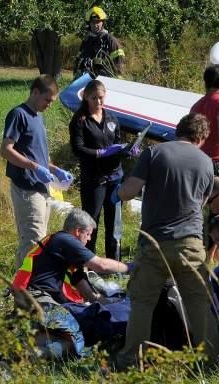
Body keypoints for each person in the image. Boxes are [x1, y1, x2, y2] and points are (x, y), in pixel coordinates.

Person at [111, 113, 219, 369]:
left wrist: (116, 190)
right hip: (191, 242)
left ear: (177, 129)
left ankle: (130, 361)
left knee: (142, 303)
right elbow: (202, 202)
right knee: (199, 303)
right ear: (201, 138)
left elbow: (129, 192)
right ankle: (211, 361)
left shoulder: (154, 153)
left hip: (154, 243)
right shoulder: (206, 162)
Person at [12, 208, 132, 358]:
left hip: (33, 300)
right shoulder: (64, 240)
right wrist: (130, 267)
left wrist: (99, 300)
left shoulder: (59, 246)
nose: (89, 240)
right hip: (37, 300)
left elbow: (79, 280)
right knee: (81, 335)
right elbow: (100, 265)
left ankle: (31, 345)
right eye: (88, 234)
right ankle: (27, 349)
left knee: (73, 335)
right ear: (77, 231)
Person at [0, 75, 74, 268]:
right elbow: (6, 150)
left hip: (41, 187)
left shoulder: (38, 117)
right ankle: (24, 293)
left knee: (39, 240)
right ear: (35, 92)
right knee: (33, 242)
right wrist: (34, 168)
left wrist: (56, 170)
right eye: (47, 99)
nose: (49, 105)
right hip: (26, 188)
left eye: (52, 101)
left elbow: (37, 156)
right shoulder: (19, 115)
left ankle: (28, 286)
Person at [69, 79, 136, 260]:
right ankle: (88, 262)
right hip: (94, 179)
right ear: (86, 98)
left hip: (115, 177)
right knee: (91, 222)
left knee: (114, 222)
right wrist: (100, 153)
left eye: (101, 98)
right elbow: (78, 149)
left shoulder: (112, 118)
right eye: (94, 99)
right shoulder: (80, 120)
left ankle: (113, 263)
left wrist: (127, 151)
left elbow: (117, 144)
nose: (98, 102)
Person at [74, 6, 125, 78]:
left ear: (103, 22)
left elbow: (119, 62)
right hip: (85, 80)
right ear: (89, 24)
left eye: (98, 21)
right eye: (93, 22)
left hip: (104, 81)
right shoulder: (86, 41)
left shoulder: (110, 40)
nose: (95, 25)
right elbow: (78, 61)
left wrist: (117, 82)